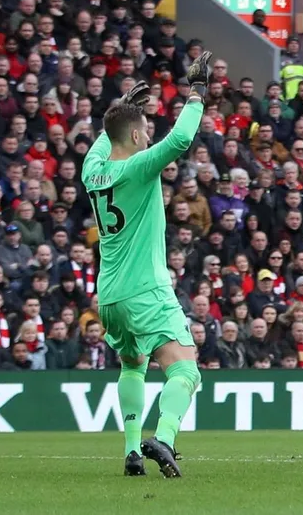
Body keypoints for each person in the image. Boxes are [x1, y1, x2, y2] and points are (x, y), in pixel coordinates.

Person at [80, 51, 213, 478]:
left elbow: (107, 136)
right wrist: (197, 94)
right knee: (185, 368)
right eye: (144, 131)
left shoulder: (92, 171)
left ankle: (132, 451)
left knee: (133, 364)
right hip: (146, 289)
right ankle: (165, 438)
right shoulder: (140, 167)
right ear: (138, 138)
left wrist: (122, 105)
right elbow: (178, 142)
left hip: (110, 294)